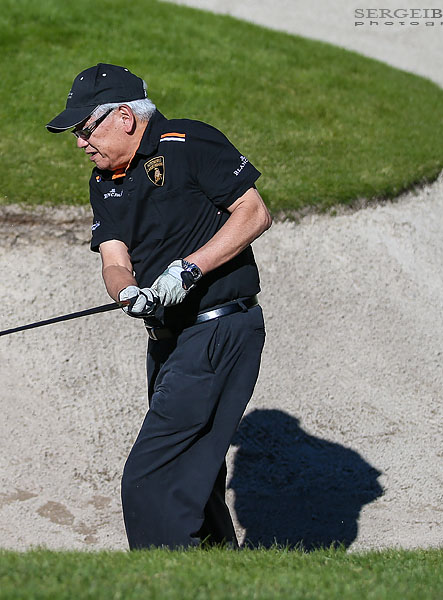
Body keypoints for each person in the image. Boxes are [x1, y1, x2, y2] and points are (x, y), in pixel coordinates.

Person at [46, 63, 272, 550]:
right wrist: (127, 292)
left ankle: (161, 581)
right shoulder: (103, 181)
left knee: (152, 481)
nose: (80, 143)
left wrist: (188, 270)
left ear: (124, 117)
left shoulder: (189, 142)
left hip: (217, 329)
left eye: (85, 128)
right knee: (196, 480)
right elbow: (114, 259)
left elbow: (254, 212)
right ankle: (219, 575)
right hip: (168, 343)